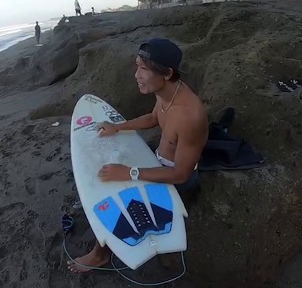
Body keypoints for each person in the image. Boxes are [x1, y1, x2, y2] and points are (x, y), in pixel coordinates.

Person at [67, 38, 209, 274]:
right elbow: (153, 118)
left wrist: (130, 173)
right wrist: (118, 127)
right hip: (158, 161)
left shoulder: (190, 116)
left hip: (176, 178)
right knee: (110, 164)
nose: (137, 75)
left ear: (167, 73)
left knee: (121, 200)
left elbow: (181, 174)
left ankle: (100, 254)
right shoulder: (166, 91)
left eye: (144, 69)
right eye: (137, 66)